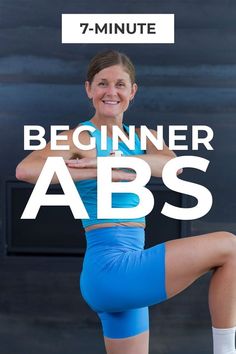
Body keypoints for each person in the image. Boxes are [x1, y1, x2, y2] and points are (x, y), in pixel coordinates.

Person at [16, 50, 236, 354]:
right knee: (230, 246)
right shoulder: (76, 139)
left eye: (120, 84)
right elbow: (26, 170)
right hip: (111, 268)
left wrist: (105, 163)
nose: (111, 92)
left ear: (132, 91)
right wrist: (94, 167)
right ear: (89, 89)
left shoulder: (143, 137)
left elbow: (173, 167)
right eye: (102, 83)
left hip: (128, 268)